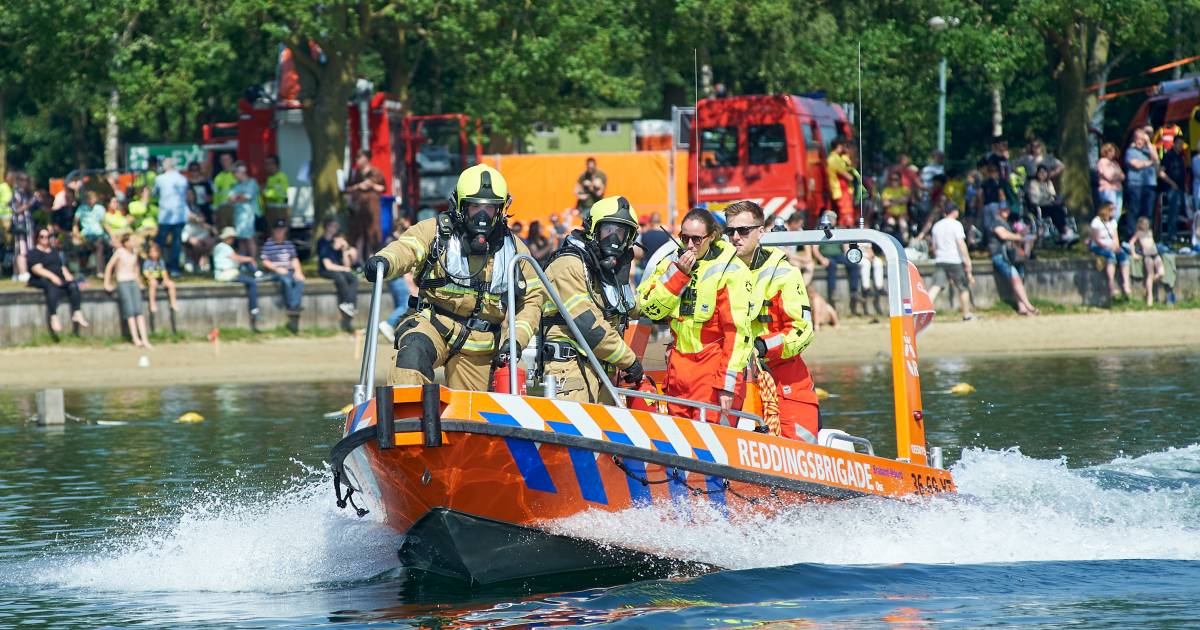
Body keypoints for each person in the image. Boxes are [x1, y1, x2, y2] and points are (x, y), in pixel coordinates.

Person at [362, 164, 546, 390]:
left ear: (501, 209)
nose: (481, 216)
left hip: (480, 343)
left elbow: (532, 300)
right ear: (460, 205)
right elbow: (407, 248)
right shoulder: (436, 233)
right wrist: (385, 260)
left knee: (472, 413)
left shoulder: (515, 251)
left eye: (489, 208)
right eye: (475, 206)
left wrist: (515, 341)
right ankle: (405, 419)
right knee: (411, 359)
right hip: (433, 324)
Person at [637, 207, 753, 421]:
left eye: (697, 239)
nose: (689, 245)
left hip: (712, 374)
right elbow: (648, 307)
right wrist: (678, 275)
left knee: (711, 446)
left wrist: (728, 386)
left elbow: (736, 333)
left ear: (712, 237)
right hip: (678, 371)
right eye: (685, 238)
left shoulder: (730, 270)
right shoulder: (670, 263)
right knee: (678, 444)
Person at [724, 200, 818, 441]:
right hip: (734, 379)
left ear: (760, 231)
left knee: (800, 456)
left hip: (783, 378)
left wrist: (764, 346)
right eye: (730, 231)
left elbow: (802, 330)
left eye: (743, 231)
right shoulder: (720, 273)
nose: (736, 237)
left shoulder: (785, 274)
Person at [541, 195, 643, 403]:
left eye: (620, 233)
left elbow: (631, 306)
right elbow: (590, 328)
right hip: (571, 372)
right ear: (593, 230)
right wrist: (630, 361)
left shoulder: (604, 270)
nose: (613, 239)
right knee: (574, 433)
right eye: (608, 231)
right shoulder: (569, 265)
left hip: (603, 371)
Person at [28, 229, 90, 332]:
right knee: (51, 287)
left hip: (58, 277)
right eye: (42, 236)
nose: (45, 239)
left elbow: (61, 267)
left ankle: (77, 313)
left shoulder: (54, 251)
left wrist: (69, 277)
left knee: (73, 286)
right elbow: (37, 269)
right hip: (42, 279)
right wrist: (52, 277)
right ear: (37, 238)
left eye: (47, 236)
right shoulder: (34, 253)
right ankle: (53, 317)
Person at [104, 233, 152, 347]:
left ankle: (144, 338)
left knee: (139, 311)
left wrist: (139, 282)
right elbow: (109, 266)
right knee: (130, 311)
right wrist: (107, 282)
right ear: (125, 243)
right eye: (131, 240)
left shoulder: (134, 252)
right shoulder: (120, 252)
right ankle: (135, 338)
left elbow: (136, 269)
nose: (133, 242)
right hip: (123, 281)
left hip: (133, 281)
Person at [989, 205, 1039, 316]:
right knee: (1016, 278)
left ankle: (1022, 307)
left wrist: (1027, 238)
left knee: (1018, 279)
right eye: (1003, 209)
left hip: (1009, 257)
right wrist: (1020, 237)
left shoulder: (1007, 223)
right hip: (1000, 256)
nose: (1006, 211)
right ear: (998, 210)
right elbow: (1003, 235)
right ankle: (1028, 306)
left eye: (1007, 209)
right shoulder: (996, 222)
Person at [929, 204, 975, 321]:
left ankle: (924, 312)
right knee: (962, 287)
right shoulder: (956, 225)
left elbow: (934, 247)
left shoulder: (936, 226)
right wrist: (967, 260)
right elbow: (960, 243)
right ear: (955, 212)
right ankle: (966, 314)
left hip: (940, 259)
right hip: (954, 259)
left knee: (936, 286)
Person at [212, 226, 262, 324]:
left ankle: (257, 273)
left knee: (247, 266)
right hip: (226, 274)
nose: (233, 240)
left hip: (226, 273)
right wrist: (250, 259)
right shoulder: (224, 247)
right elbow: (236, 258)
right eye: (231, 237)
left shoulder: (220, 247)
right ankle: (254, 309)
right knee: (252, 283)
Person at [261, 219, 306, 319]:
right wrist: (277, 269)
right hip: (275, 272)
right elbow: (265, 261)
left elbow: (294, 259)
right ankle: (292, 306)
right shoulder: (269, 244)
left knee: (299, 281)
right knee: (287, 281)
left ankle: (295, 306)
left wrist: (298, 271)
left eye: (281, 229)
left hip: (288, 270)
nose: (279, 232)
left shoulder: (288, 244)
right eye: (277, 230)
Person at [316, 217, 359, 319]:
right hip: (326, 271)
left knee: (353, 277)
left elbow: (347, 266)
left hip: (339, 269)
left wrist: (344, 250)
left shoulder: (338, 244)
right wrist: (344, 269)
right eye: (333, 226)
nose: (336, 228)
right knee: (340, 278)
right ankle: (346, 303)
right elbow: (328, 266)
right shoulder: (323, 244)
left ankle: (350, 304)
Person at [153, 157, 190, 276]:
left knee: (161, 242)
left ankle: (158, 265)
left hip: (165, 215)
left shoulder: (160, 179)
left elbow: (154, 193)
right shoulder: (182, 179)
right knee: (176, 242)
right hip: (179, 214)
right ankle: (174, 268)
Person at [1089, 201, 1132, 301]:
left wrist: (1116, 246)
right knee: (1110, 255)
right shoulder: (1096, 222)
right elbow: (1096, 239)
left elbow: (1115, 238)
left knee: (1123, 255)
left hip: (1111, 245)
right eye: (1112, 209)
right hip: (1099, 246)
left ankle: (1126, 284)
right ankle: (1111, 285)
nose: (1114, 211)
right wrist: (1108, 247)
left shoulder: (1113, 222)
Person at [347, 149, 385, 256]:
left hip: (372, 206)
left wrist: (371, 185)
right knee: (358, 232)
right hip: (358, 207)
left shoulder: (376, 172)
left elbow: (382, 188)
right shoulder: (355, 173)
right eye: (357, 158)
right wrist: (359, 186)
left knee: (372, 231)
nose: (357, 160)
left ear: (367, 159)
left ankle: (372, 256)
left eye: (360, 157)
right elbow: (348, 188)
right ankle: (358, 259)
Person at [1124, 130, 1158, 237]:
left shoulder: (1148, 151)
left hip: (1150, 184)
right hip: (1135, 184)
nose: (1140, 141)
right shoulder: (1130, 151)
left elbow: (1156, 158)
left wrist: (1148, 143)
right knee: (1135, 210)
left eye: (1143, 139)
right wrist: (1151, 162)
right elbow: (1136, 165)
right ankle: (1132, 235)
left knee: (1148, 211)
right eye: (1138, 139)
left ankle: (1146, 235)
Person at [1127, 216, 1164, 305]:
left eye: (1147, 224)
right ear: (1140, 225)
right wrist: (1134, 254)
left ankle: (1147, 287)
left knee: (1161, 273)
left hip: (1155, 253)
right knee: (1150, 275)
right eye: (1144, 224)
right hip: (1147, 255)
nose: (1146, 225)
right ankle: (1149, 296)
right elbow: (1131, 243)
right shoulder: (1139, 233)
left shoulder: (1150, 232)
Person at [228, 162, 260, 258]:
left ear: (242, 171)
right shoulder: (235, 185)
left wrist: (237, 196)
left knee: (250, 239)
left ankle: (253, 262)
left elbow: (247, 197)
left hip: (249, 215)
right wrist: (239, 196)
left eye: (235, 172)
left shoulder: (252, 183)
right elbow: (230, 199)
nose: (234, 175)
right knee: (241, 240)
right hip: (238, 215)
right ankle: (243, 262)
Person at [1160, 138, 1187, 245]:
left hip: (1180, 188)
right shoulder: (1168, 156)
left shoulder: (1181, 157)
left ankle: (1176, 234)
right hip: (1171, 188)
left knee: (1178, 212)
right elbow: (1161, 173)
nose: (1181, 146)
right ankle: (1171, 235)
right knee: (1173, 212)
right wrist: (1172, 183)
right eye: (1179, 143)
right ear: (1174, 144)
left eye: (1182, 144)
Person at [75, 190, 108, 275]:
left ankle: (100, 271)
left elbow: (104, 224)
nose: (90, 200)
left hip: (98, 234)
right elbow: (75, 224)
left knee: (98, 245)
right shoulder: (81, 209)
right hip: (85, 234)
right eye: (88, 198)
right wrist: (76, 234)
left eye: (92, 198)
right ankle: (83, 270)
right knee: (82, 246)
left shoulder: (100, 209)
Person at [142, 241, 179, 316]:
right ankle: (152, 303)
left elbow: (164, 273)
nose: (153, 254)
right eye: (151, 252)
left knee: (171, 284)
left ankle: (173, 302)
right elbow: (146, 273)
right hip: (150, 280)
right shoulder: (147, 262)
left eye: (155, 252)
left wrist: (166, 280)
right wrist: (151, 278)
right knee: (153, 284)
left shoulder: (161, 262)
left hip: (159, 279)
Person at [827, 139, 857, 227]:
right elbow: (847, 175)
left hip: (844, 189)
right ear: (839, 146)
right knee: (846, 214)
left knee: (846, 213)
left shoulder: (838, 157)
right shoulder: (834, 159)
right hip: (841, 190)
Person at [1096, 142, 1125, 225]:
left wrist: (1116, 176)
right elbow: (1109, 177)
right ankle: (1106, 228)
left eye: (1113, 151)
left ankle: (1113, 230)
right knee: (1109, 211)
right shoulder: (1102, 162)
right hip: (1108, 190)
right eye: (1110, 151)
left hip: (1118, 190)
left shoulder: (1115, 163)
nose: (1113, 153)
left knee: (1117, 212)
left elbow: (1123, 176)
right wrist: (1117, 176)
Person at [262, 155, 290, 228]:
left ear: (274, 165)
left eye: (268, 164)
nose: (266, 167)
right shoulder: (270, 178)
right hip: (270, 209)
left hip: (279, 209)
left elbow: (280, 193)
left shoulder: (281, 177)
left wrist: (265, 192)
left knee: (280, 230)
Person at [212, 153, 237, 229]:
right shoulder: (218, 178)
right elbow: (215, 196)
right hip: (222, 209)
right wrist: (215, 211)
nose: (225, 162)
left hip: (235, 207)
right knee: (224, 231)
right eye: (223, 160)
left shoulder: (236, 175)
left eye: (227, 159)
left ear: (231, 160)